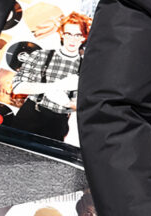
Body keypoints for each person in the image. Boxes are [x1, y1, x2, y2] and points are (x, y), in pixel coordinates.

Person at [8, 11, 90, 142]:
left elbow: (86, 104)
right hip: (29, 116)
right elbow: (17, 87)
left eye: (78, 35)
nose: (72, 39)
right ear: (61, 33)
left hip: (57, 124)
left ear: (84, 37)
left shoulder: (86, 68)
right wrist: (57, 85)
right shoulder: (40, 55)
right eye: (68, 34)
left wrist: (68, 103)